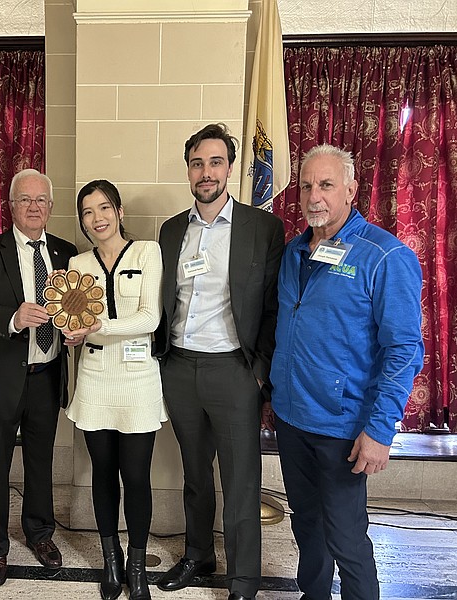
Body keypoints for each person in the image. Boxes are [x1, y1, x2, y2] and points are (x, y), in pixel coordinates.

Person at [269, 144, 424, 599]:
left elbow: (403, 351)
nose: (314, 195)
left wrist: (380, 431)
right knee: (307, 527)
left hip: (343, 427)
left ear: (351, 190)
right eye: (306, 185)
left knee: (347, 538)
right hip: (291, 419)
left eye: (326, 184)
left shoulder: (384, 256)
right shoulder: (293, 252)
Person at [154, 123, 284, 600]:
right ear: (188, 171)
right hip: (181, 369)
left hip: (235, 372)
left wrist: (259, 372)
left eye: (214, 162)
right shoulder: (171, 230)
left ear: (229, 168)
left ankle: (243, 580)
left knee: (241, 482)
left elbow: (273, 305)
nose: (205, 172)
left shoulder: (262, 227)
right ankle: (198, 554)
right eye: (196, 163)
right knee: (194, 474)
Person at [0, 169, 78, 587]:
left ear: (51, 206)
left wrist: (77, 331)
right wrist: (12, 317)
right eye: (25, 200)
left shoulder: (67, 253)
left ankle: (40, 533)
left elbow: (77, 308)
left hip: (47, 376)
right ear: (11, 206)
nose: (33, 207)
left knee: (40, 462)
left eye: (41, 200)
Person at [62, 180, 166, 600]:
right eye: (87, 212)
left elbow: (149, 317)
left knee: (137, 476)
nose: (97, 218)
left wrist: (97, 327)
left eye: (104, 208)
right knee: (102, 474)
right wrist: (71, 330)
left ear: (119, 212)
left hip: (139, 379)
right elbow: (71, 317)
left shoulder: (148, 252)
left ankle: (137, 566)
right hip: (94, 377)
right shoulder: (77, 262)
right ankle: (111, 559)